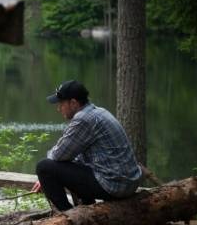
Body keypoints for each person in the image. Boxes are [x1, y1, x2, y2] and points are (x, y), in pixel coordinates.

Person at [28, 79, 143, 211]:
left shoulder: (83, 119)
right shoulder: (98, 112)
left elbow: (59, 154)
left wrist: (44, 176)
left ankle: (68, 216)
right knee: (69, 164)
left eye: (61, 103)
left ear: (73, 103)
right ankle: (86, 209)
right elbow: (72, 157)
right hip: (128, 182)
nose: (58, 108)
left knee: (44, 167)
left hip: (115, 185)